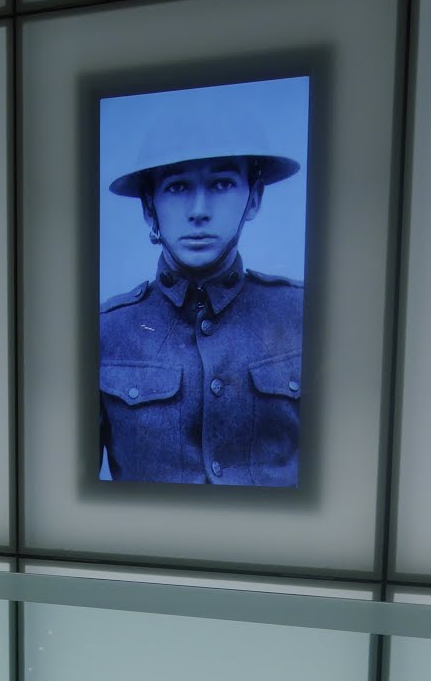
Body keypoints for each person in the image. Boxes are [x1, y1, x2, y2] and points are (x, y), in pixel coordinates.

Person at [100, 96, 303, 486]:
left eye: (221, 184)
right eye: (177, 187)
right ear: (149, 208)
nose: (198, 210)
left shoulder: (302, 315)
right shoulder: (106, 331)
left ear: (254, 198)